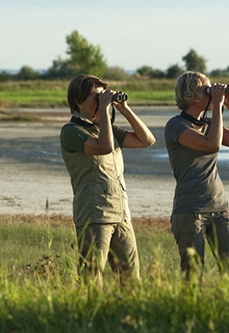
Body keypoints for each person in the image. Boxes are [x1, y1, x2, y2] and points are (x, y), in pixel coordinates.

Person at [60, 74, 156, 285]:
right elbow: (104, 147)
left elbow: (147, 140)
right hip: (94, 212)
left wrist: (123, 109)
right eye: (96, 97)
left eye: (103, 97)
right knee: (91, 278)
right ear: (78, 101)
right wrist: (104, 110)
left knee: (131, 279)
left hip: (121, 212)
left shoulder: (106, 130)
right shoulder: (71, 131)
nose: (100, 101)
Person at [164, 71, 229, 285]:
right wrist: (219, 106)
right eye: (207, 90)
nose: (212, 93)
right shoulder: (176, 126)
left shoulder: (208, 124)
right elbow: (211, 144)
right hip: (190, 210)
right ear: (191, 95)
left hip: (220, 208)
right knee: (193, 276)